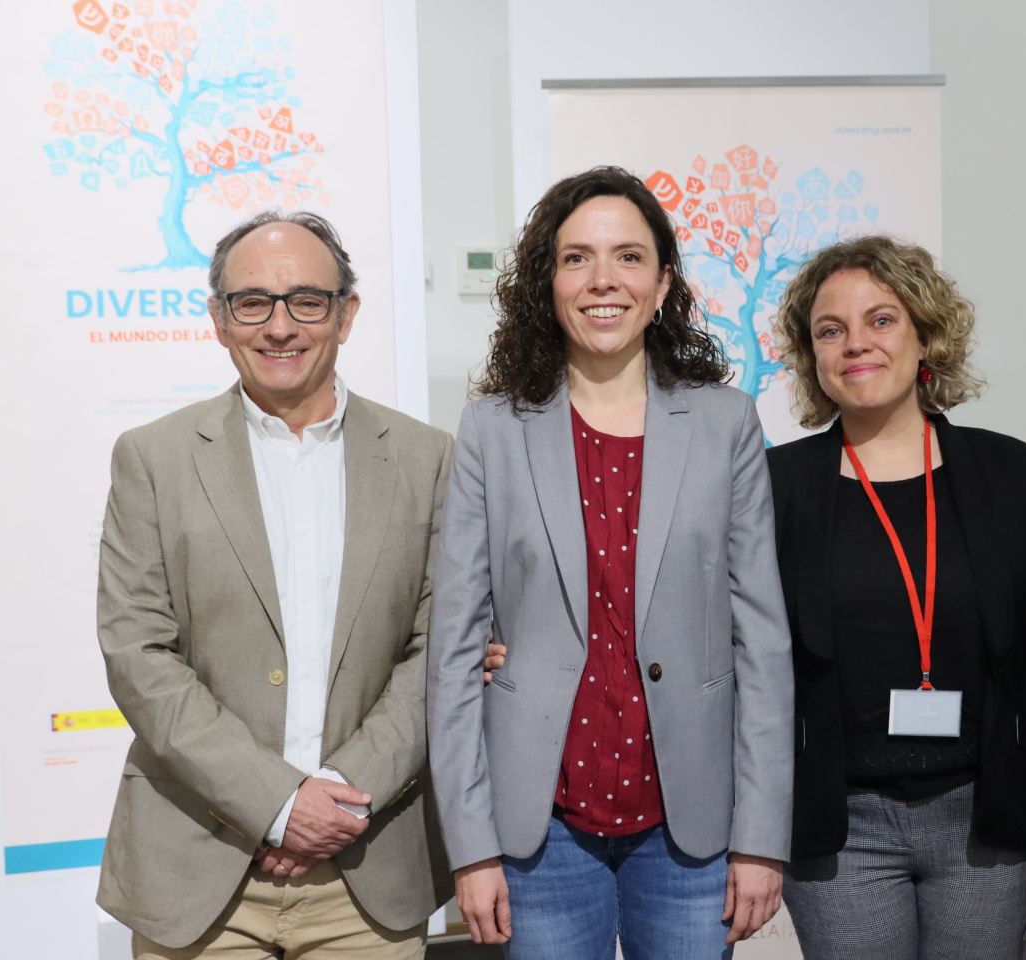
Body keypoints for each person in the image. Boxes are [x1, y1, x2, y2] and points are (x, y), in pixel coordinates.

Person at [426, 166, 794, 959]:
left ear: (663, 283)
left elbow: (762, 645)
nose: (603, 281)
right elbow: (453, 649)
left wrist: (762, 838)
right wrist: (472, 845)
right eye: (576, 259)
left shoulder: (726, 423)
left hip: (690, 828)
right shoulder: (492, 430)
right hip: (539, 830)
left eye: (628, 257)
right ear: (546, 282)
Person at [95, 211, 454, 959]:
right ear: (219, 319)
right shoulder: (153, 460)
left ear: (347, 314)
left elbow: (440, 652)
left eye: (307, 301)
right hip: (196, 870)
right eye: (252, 302)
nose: (279, 326)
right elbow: (139, 654)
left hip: (368, 870)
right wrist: (279, 803)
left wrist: (337, 797)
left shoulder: (428, 459)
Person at [765, 235, 1026, 960]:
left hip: (985, 819)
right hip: (838, 830)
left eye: (881, 320)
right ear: (811, 356)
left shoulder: (1011, 474)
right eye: (831, 329)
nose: (857, 343)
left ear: (925, 335)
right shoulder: (774, 487)